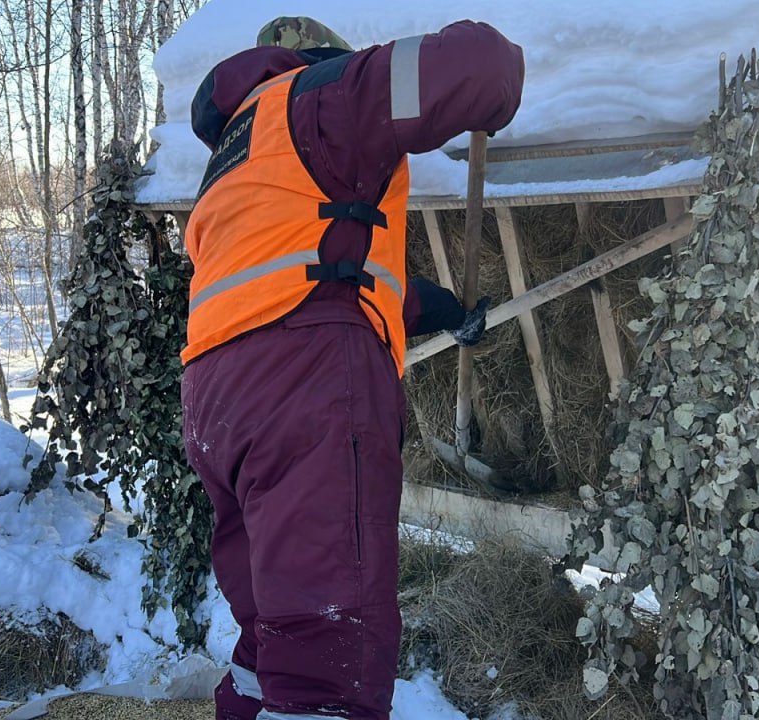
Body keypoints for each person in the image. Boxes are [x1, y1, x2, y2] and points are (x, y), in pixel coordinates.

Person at [179, 16, 524, 720]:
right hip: (303, 394)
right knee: (329, 658)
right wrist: (497, 92)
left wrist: (445, 309)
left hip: (219, 408)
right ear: (316, 55)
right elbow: (485, 66)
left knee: (274, 642)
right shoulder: (320, 97)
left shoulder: (233, 161)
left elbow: (321, 278)